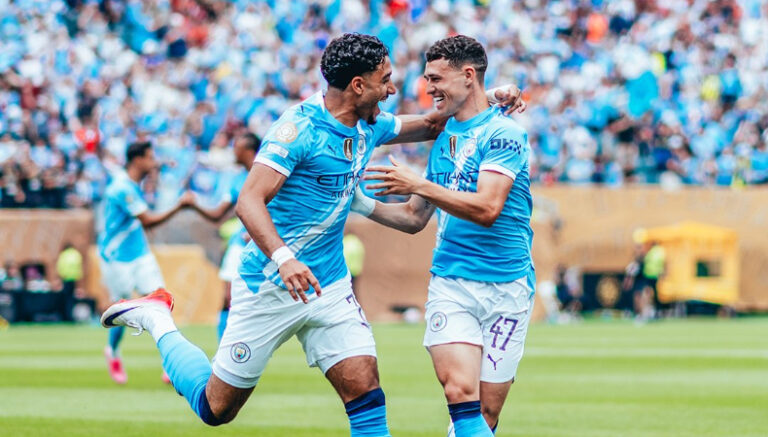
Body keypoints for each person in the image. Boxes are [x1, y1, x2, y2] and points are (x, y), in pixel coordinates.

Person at [100, 33, 524, 434]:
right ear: (358, 86)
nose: (392, 90)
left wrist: (489, 94)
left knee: (366, 393)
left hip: (330, 286)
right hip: (271, 284)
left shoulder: (370, 124)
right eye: (385, 81)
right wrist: (284, 259)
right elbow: (249, 201)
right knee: (217, 409)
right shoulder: (298, 131)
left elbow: (433, 124)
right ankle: (158, 320)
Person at [353, 35, 534, 436]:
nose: (428, 88)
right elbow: (414, 217)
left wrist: (419, 183)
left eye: (435, 78)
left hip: (509, 287)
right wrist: (359, 203)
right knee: (459, 391)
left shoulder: (505, 134)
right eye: (426, 79)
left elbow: (487, 208)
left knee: (486, 413)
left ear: (468, 75)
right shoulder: (445, 136)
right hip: (452, 283)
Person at [97, 141, 194, 384]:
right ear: (137, 160)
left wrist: (168, 165)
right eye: (150, 157)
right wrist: (179, 205)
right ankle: (112, 351)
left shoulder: (132, 183)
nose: (153, 162)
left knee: (160, 301)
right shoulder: (122, 188)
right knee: (120, 310)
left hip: (140, 254)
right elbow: (147, 220)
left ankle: (170, 362)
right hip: (116, 257)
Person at [190, 132, 261, 342]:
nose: (233, 152)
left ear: (249, 151)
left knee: (257, 301)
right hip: (239, 245)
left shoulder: (268, 175)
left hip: (264, 246)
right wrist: (194, 204)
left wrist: (260, 231)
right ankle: (224, 349)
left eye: (237, 148)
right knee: (227, 297)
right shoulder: (237, 179)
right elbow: (217, 214)